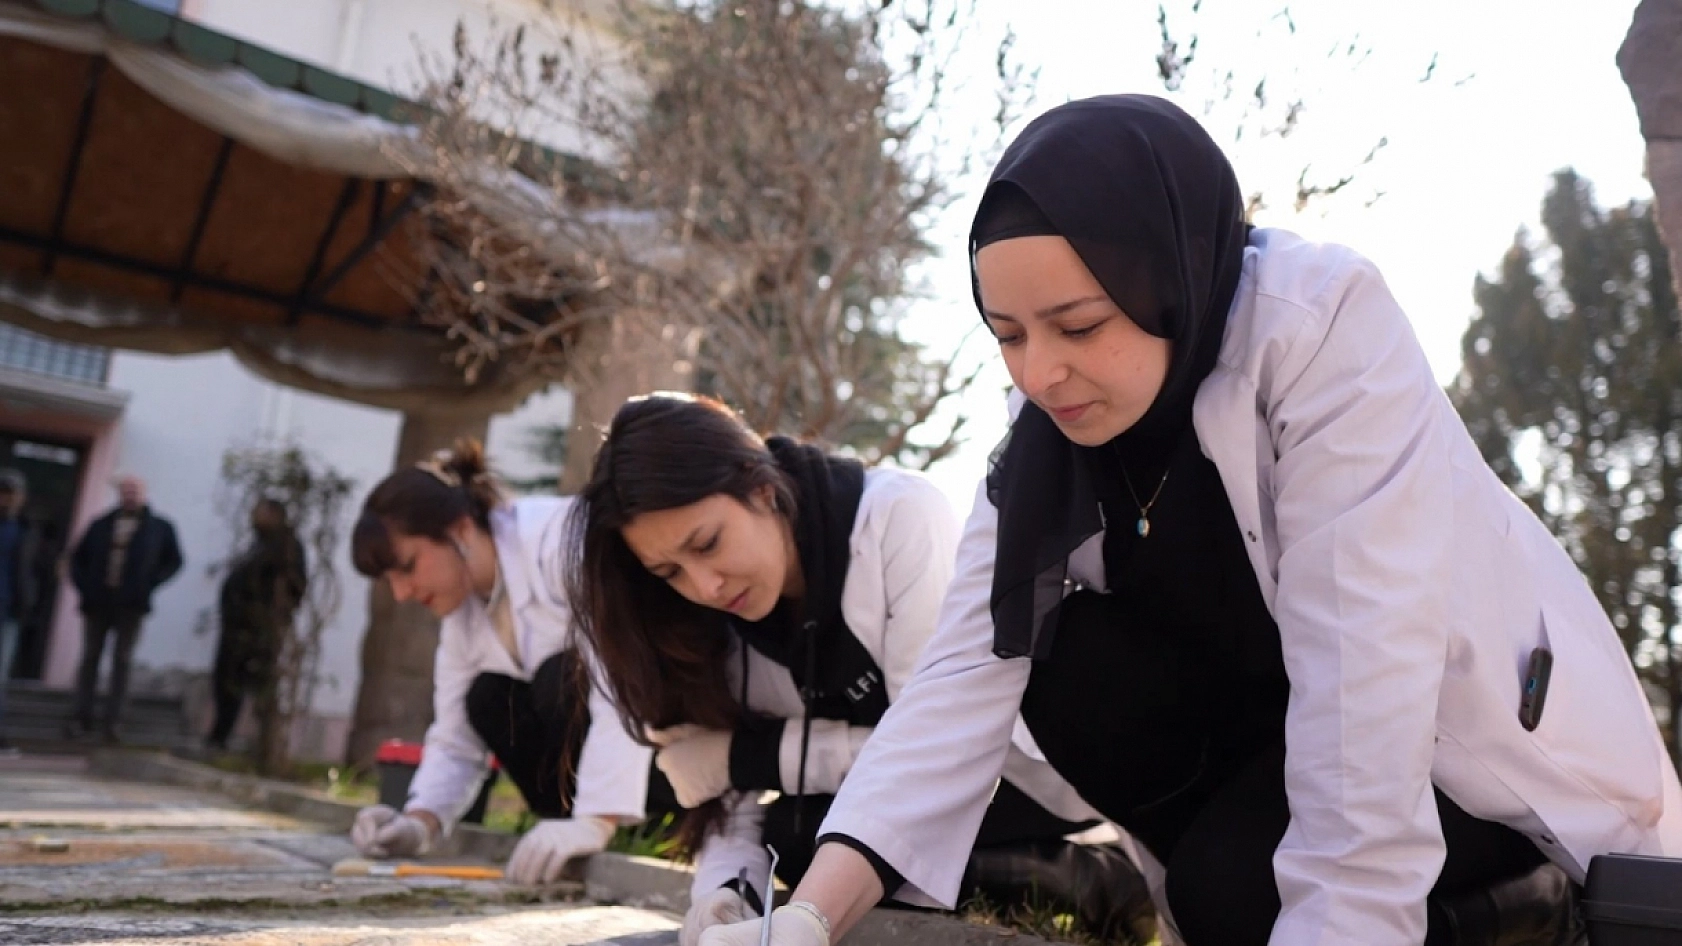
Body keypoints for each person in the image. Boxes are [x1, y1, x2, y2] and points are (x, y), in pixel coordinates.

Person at [695, 95, 1682, 946]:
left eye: (1077, 325)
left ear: (1170, 274)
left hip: (1448, 749)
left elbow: (1366, 669)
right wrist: (810, 919)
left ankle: (1527, 902)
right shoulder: (1044, 428)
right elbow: (957, 677)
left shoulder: (1324, 327)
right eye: (1007, 335)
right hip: (1275, 737)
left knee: (1238, 892)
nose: (1037, 373)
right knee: (1061, 664)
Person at [567, 393, 1153, 946]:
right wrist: (723, 892)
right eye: (669, 572)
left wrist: (754, 754)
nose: (704, 586)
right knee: (791, 839)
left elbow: (935, 752)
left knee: (814, 840)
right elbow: (729, 797)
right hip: (882, 795)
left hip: (1009, 775)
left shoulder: (897, 517)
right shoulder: (702, 624)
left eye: (707, 544)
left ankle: (1094, 877)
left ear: (762, 488)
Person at [347, 440, 676, 886]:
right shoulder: (462, 616)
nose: (402, 592)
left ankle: (647, 822)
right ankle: (565, 826)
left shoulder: (560, 538)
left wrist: (598, 817)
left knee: (558, 677)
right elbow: (453, 739)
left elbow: (621, 683)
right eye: (391, 580)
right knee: (483, 697)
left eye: (408, 566)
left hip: (665, 749)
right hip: (583, 782)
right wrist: (417, 824)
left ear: (461, 530)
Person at [68, 474, 183, 743]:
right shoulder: (101, 525)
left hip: (132, 606)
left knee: (122, 660)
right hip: (97, 603)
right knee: (90, 658)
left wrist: (149, 583)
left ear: (144, 493)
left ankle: (115, 721)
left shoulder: (159, 528)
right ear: (120, 493)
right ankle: (80, 716)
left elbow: (174, 561)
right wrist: (86, 587)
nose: (130, 494)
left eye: (135, 490)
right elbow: (78, 559)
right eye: (126, 489)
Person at [205, 497, 308, 751]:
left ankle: (260, 742)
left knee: (253, 682)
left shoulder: (285, 546)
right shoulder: (260, 543)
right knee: (226, 681)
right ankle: (220, 735)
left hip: (257, 629)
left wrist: (269, 617)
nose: (253, 516)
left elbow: (292, 586)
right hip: (237, 626)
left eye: (259, 512)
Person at [0, 469, 43, 751]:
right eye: (5, 492)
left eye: (13, 493)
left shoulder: (27, 529)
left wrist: (29, 600)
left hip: (9, 611)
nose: (9, 498)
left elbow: (34, 569)